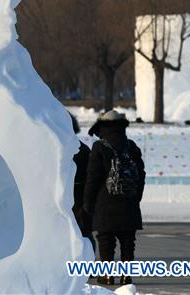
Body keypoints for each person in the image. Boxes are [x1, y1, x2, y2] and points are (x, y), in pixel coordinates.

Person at [83, 110, 146, 286]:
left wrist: (88, 203)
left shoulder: (99, 147)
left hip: (105, 204)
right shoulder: (131, 146)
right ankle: (126, 276)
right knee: (128, 242)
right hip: (129, 203)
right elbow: (141, 175)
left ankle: (108, 275)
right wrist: (136, 197)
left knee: (106, 240)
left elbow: (93, 178)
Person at [70, 113, 95, 253]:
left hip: (74, 195)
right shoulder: (84, 148)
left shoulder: (58, 149)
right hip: (83, 196)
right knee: (85, 233)